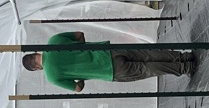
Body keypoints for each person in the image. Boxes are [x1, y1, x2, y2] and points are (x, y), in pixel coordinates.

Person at [20, 30, 196, 91]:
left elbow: (78, 88)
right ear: (36, 52)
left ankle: (185, 67)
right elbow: (79, 35)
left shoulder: (52, 77)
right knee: (146, 54)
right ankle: (183, 56)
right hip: (107, 51)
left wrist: (80, 74)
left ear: (36, 69)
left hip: (108, 71)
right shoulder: (53, 41)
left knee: (147, 69)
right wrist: (82, 49)